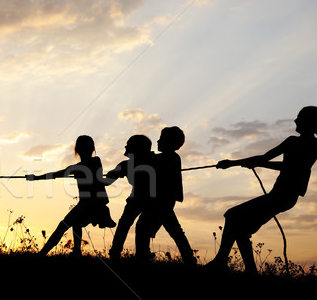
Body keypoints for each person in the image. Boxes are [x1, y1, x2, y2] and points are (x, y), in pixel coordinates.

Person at [207, 106, 317, 274]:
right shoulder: (291, 141)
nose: (295, 120)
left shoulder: (312, 146)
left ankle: (221, 261)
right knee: (240, 228)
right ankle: (248, 270)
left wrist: (258, 163)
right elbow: (264, 157)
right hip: (280, 195)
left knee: (232, 215)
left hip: (285, 196)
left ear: (309, 122)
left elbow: (291, 167)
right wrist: (231, 163)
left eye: (299, 117)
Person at [26, 135, 116, 257]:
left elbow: (56, 174)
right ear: (92, 149)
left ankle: (42, 254)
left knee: (62, 226)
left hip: (87, 205)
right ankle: (76, 252)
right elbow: (56, 174)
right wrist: (36, 178)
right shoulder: (95, 161)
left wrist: (36, 178)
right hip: (96, 204)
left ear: (77, 150)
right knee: (76, 223)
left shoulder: (78, 167)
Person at [135, 127, 196, 265]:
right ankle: (189, 259)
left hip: (161, 202)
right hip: (165, 202)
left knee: (143, 225)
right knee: (175, 231)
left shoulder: (169, 157)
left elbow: (151, 162)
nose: (157, 141)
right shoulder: (168, 157)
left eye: (161, 139)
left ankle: (142, 256)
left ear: (170, 142)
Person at [104, 135, 155, 260]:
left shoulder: (128, 165)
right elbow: (107, 181)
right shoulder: (127, 165)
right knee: (126, 225)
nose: (125, 146)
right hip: (139, 199)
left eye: (128, 144)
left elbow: (106, 182)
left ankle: (120, 253)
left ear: (137, 148)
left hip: (148, 200)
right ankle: (120, 252)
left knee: (130, 225)